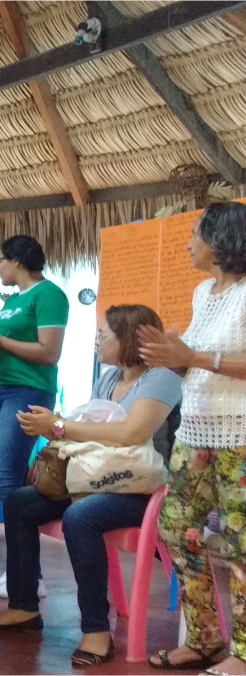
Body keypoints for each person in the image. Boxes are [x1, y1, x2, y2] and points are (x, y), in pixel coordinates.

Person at [0, 304, 181, 667]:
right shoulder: (109, 378)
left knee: (81, 517)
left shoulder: (162, 378)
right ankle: (23, 607)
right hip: (99, 479)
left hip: (144, 490)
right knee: (20, 501)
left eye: (103, 336)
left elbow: (131, 434)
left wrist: (58, 427)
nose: (96, 342)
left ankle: (96, 630)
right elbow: (94, 429)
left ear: (129, 338)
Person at [138, 202, 246, 674]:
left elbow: (215, 360)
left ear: (221, 243)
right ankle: (203, 639)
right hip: (197, 430)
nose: (188, 242)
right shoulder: (204, 293)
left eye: (195, 233)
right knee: (177, 528)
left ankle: (242, 653)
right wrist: (172, 358)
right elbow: (200, 361)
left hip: (241, 434)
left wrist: (195, 357)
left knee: (241, 544)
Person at [0, 234, 68, 594]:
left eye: (1, 260)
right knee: (6, 475)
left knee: (7, 478)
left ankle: (27, 576)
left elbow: (48, 352)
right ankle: (20, 570)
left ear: (18, 261)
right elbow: (2, 347)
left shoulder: (49, 294)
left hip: (28, 390)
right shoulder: (9, 301)